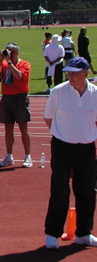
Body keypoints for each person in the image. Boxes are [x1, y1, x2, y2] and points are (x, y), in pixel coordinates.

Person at [43, 57, 97, 250]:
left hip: (87, 148)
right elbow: (48, 117)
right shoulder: (58, 92)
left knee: (87, 191)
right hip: (62, 146)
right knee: (60, 191)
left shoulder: (95, 93)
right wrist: (62, 134)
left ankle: (83, 233)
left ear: (85, 74)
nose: (70, 76)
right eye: (68, 73)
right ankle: (52, 234)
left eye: (75, 73)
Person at [0, 42, 33, 168]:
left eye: (12, 52)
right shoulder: (3, 64)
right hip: (6, 98)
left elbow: (19, 76)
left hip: (20, 98)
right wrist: (1, 60)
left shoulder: (24, 64)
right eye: (7, 51)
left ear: (17, 53)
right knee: (8, 129)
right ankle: (9, 156)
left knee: (23, 128)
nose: (9, 54)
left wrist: (9, 63)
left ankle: (27, 156)